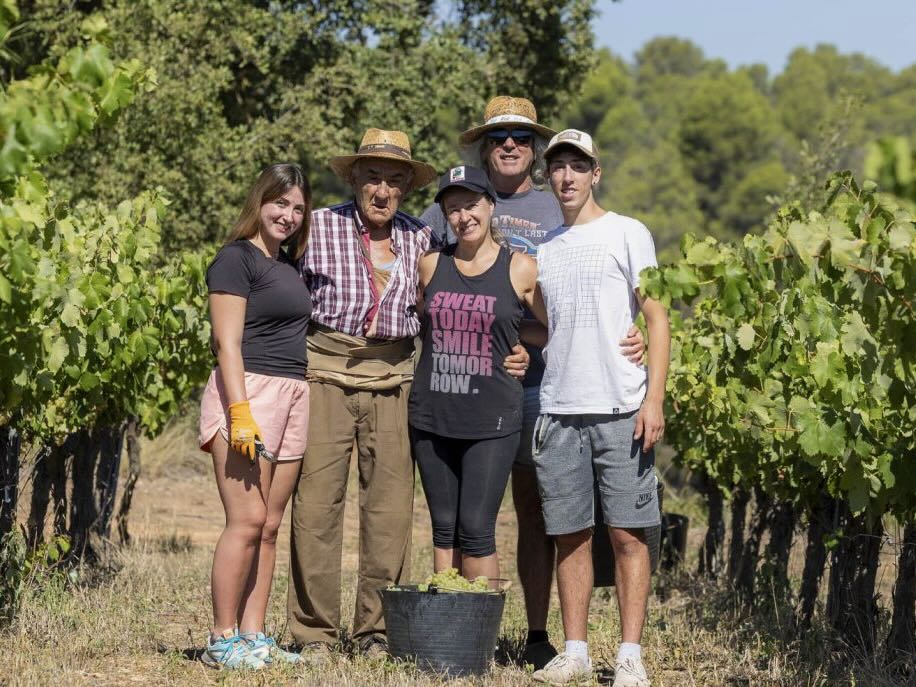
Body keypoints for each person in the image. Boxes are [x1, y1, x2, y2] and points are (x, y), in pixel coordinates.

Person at [287, 130, 531, 659]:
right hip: (325, 373)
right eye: (372, 176)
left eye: (395, 180)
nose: (382, 189)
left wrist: (518, 349)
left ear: (404, 189)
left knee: (391, 512)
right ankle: (315, 634)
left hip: (396, 378)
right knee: (316, 506)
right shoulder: (318, 227)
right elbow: (281, 293)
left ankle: (375, 632)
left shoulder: (421, 239)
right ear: (353, 178)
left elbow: (470, 302)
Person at [420, 96, 644, 668]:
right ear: (483, 148)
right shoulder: (445, 210)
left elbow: (598, 284)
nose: (510, 145)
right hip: (470, 386)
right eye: (499, 138)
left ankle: (543, 634)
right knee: (469, 516)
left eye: (521, 136)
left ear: (537, 149)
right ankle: (468, 628)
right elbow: (424, 282)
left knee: (540, 513)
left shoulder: (558, 205)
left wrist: (634, 329)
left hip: (546, 386)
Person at [530, 130, 670, 687]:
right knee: (570, 534)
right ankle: (576, 650)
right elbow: (545, 323)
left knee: (630, 534)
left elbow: (655, 317)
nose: (566, 177)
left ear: (596, 173)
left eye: (577, 167)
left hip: (620, 407)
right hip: (559, 408)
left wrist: (653, 398)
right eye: (558, 168)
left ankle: (630, 653)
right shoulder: (545, 250)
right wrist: (522, 350)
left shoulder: (628, 232)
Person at [409, 165, 548, 584]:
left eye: (471, 204)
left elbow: (550, 327)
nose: (463, 216)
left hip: (493, 418)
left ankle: (477, 636)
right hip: (432, 415)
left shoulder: (520, 267)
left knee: (477, 529)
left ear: (490, 206)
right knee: (443, 527)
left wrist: (519, 342)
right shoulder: (431, 265)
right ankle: (445, 632)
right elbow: (421, 321)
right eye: (453, 208)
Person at [198, 163, 312, 670]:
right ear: (259, 202)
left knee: (268, 524)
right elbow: (227, 343)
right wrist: (239, 412)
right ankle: (222, 639)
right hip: (249, 392)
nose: (287, 215)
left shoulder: (288, 264)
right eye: (279, 203)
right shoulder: (234, 259)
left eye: (297, 208)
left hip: (293, 393)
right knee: (244, 520)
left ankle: (253, 635)